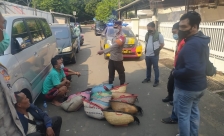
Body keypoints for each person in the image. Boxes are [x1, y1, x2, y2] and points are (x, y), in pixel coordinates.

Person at [173, 11, 209, 136]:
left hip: (188, 88)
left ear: (194, 27)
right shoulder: (200, 39)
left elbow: (192, 69)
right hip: (199, 86)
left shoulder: (192, 44)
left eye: (184, 27)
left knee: (182, 115)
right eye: (180, 26)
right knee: (193, 112)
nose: (180, 30)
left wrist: (176, 73)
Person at [161, 22, 185, 124]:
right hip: (176, 68)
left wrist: (177, 70)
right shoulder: (179, 41)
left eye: (174, 32)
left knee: (177, 97)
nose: (173, 34)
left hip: (180, 71)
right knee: (171, 86)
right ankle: (171, 99)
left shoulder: (184, 42)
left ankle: (175, 117)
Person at [97, 21, 126, 85]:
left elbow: (114, 46)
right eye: (114, 27)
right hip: (112, 57)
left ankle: (122, 85)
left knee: (121, 72)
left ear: (120, 27)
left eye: (116, 27)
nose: (114, 28)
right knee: (111, 72)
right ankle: (110, 85)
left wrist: (103, 51)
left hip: (118, 58)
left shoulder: (122, 36)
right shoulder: (115, 35)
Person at [142, 22, 164, 87]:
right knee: (148, 68)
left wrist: (158, 50)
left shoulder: (159, 35)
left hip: (154, 55)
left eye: (150, 28)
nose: (148, 29)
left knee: (155, 68)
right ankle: (148, 78)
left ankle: (156, 81)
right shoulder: (147, 34)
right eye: (147, 28)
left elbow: (162, 44)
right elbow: (146, 43)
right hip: (147, 55)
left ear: (154, 28)